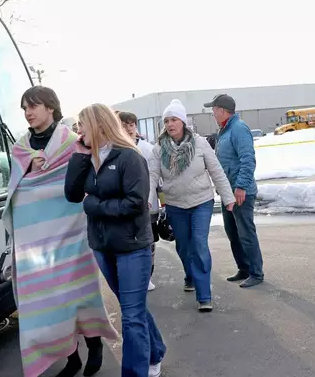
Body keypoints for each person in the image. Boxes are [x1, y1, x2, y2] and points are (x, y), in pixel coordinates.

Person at [3, 87, 117, 377]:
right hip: (36, 242)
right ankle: (72, 358)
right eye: (25, 108)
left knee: (78, 294)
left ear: (50, 108)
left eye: (34, 106)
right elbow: (16, 187)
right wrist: (30, 163)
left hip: (71, 234)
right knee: (50, 302)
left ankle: (94, 344)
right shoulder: (21, 147)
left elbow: (87, 175)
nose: (28, 112)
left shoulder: (71, 141)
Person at [65, 103, 166, 377]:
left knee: (131, 317)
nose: (78, 131)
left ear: (98, 125)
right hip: (102, 246)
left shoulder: (129, 158)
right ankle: (155, 351)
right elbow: (72, 195)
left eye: (82, 125)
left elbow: (136, 203)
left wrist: (95, 206)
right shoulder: (88, 158)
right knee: (132, 308)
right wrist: (78, 156)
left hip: (132, 246)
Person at [148, 99, 236, 311]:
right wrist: (147, 202)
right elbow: (151, 177)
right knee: (184, 246)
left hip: (201, 202)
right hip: (176, 205)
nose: (170, 124)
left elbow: (216, 171)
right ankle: (190, 274)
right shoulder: (159, 149)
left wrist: (228, 197)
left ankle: (204, 295)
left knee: (198, 244)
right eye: (166, 120)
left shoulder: (200, 143)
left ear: (183, 121)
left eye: (174, 119)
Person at [204, 94, 264, 288]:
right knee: (233, 233)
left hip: (240, 192)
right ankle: (244, 268)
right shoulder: (224, 130)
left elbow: (248, 160)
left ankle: (256, 272)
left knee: (246, 233)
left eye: (213, 110)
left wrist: (241, 186)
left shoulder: (238, 129)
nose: (212, 114)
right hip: (228, 193)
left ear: (222, 110)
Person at [117, 110, 159, 292]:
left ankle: (147, 276)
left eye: (131, 124)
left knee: (148, 242)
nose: (127, 129)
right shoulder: (114, 149)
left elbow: (158, 179)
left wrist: (162, 204)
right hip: (125, 205)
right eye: (123, 125)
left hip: (148, 205)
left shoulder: (147, 149)